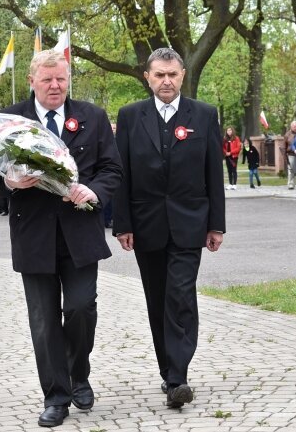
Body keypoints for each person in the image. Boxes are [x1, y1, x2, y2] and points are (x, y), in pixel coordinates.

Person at [0, 49, 121, 427]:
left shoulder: (92, 116)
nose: (55, 86)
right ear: (32, 80)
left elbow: (112, 169)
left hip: (80, 233)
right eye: (47, 79)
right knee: (44, 320)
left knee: (81, 309)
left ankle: (78, 372)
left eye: (61, 79)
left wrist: (94, 191)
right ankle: (57, 396)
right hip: (34, 235)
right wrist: (8, 182)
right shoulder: (12, 119)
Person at [114, 47, 224, 411]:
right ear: (147, 76)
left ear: (182, 76)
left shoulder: (204, 115)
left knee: (180, 294)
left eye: (172, 75)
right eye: (159, 74)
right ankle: (168, 370)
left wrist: (216, 225)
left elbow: (213, 174)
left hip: (190, 222)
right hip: (146, 224)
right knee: (157, 299)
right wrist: (122, 223)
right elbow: (122, 174)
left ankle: (178, 377)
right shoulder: (130, 116)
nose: (166, 81)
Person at [284, 121, 296, 190]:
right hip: (291, 154)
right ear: (291, 127)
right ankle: (290, 184)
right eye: (294, 127)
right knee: (291, 169)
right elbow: (284, 145)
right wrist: (285, 154)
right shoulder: (287, 134)